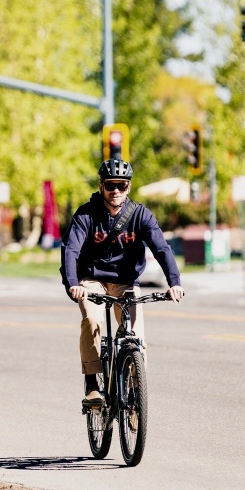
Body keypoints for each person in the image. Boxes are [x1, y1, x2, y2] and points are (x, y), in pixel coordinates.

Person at [61, 158, 185, 407]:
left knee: (136, 336)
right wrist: (73, 284)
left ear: (128, 187)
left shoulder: (140, 215)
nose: (115, 190)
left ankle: (135, 394)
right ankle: (93, 385)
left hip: (125, 281)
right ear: (101, 186)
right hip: (91, 280)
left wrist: (174, 282)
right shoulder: (86, 214)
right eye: (110, 185)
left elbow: (161, 248)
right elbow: (70, 250)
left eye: (121, 185)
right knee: (92, 320)